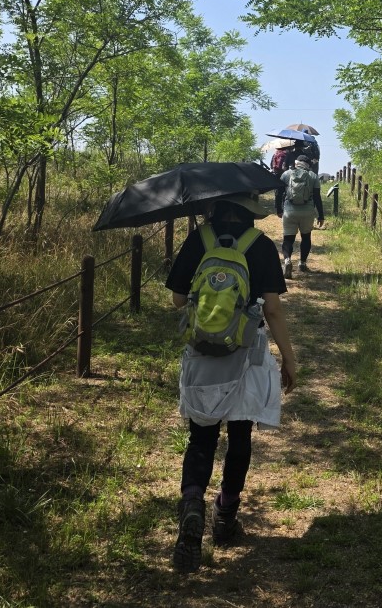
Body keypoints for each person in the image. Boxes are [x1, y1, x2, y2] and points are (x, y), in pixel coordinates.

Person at [164, 193, 298, 573]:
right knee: (240, 437)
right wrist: (288, 358)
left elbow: (177, 300)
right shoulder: (259, 245)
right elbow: (272, 309)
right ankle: (225, 518)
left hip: (203, 351)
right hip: (246, 351)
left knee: (201, 437)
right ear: (250, 211)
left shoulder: (199, 238)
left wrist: (208, 303)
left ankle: (192, 505)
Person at [275, 156, 324, 278]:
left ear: (296, 163)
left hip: (289, 211)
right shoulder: (313, 176)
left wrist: (279, 209)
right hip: (307, 211)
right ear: (308, 164)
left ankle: (287, 261)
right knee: (306, 237)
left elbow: (279, 193)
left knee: (288, 239)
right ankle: (302, 263)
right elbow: (317, 197)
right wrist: (321, 216)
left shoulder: (286, 174)